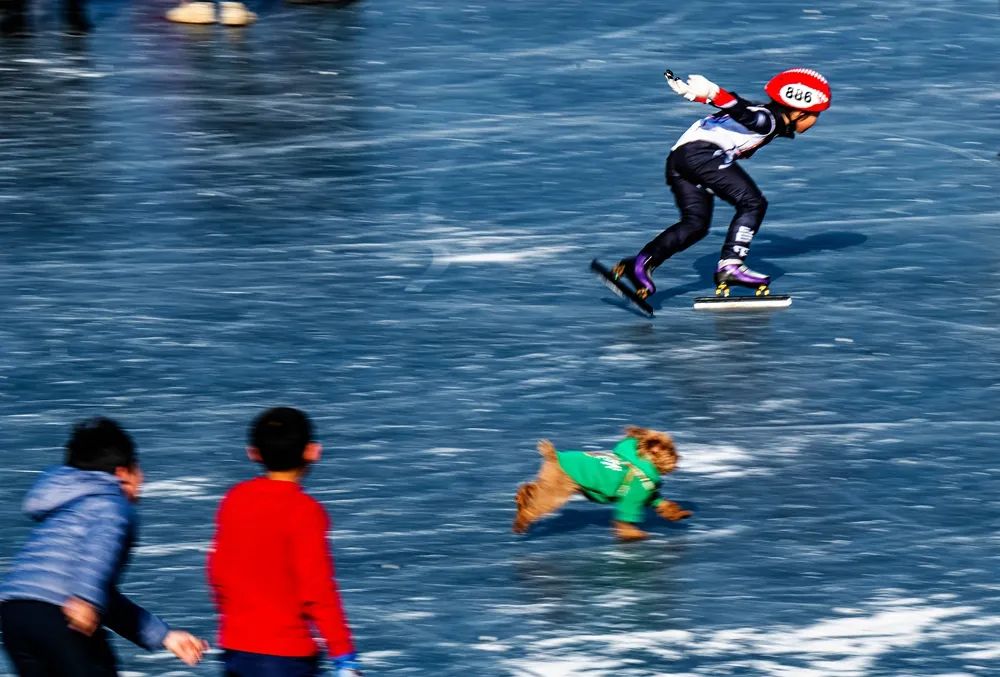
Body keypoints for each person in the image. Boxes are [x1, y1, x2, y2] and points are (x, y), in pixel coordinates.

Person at [0, 417, 209, 676]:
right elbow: (97, 554)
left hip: (14, 613)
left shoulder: (66, 510)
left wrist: (164, 636)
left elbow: (104, 596)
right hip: (58, 615)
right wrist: (86, 599)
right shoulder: (113, 505)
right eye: (139, 469)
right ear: (123, 473)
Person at [611, 68, 831, 298]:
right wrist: (715, 93)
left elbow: (741, 110)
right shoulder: (769, 120)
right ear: (798, 112)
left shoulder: (763, 111)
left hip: (679, 159)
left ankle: (640, 264)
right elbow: (747, 115)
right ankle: (731, 265)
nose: (816, 121)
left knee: (695, 224)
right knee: (753, 203)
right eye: (817, 114)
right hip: (702, 155)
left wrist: (702, 96)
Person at [207, 407, 362, 677]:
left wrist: (236, 623)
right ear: (313, 451)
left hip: (235, 651)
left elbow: (217, 571)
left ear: (253, 453)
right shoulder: (305, 511)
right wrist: (343, 655)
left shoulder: (235, 499)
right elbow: (318, 591)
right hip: (287, 658)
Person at [512, 426, 692, 542]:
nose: (675, 460)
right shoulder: (641, 479)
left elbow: (647, 494)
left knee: (548, 491)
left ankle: (530, 494)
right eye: (672, 455)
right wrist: (627, 529)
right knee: (550, 501)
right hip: (567, 472)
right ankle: (528, 510)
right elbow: (629, 504)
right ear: (655, 451)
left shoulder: (634, 467)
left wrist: (665, 505)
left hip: (564, 461)